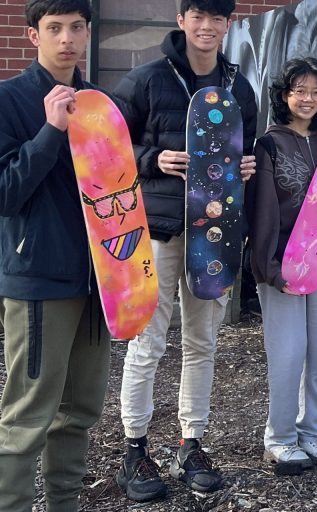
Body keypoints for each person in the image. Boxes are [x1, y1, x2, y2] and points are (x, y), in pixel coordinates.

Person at [111, 0, 259, 501]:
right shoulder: (148, 79)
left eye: (217, 17)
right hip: (157, 229)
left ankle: (190, 442)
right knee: (147, 343)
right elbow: (109, 147)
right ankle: (135, 448)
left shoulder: (240, 88)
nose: (207, 26)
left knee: (203, 343)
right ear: (182, 20)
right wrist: (154, 158)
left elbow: (247, 153)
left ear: (227, 24)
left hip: (214, 233)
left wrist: (246, 169)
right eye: (198, 15)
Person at [0, 2, 108, 510]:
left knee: (79, 411)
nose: (66, 38)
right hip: (40, 278)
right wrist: (50, 132)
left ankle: (64, 504)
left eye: (76, 28)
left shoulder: (99, 103)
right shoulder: (10, 99)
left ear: (87, 33)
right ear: (33, 35)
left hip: (98, 280)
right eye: (54, 28)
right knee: (27, 417)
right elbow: (5, 193)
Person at [248, 57, 317, 475]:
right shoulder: (269, 144)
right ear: (284, 96)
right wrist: (270, 268)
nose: (307, 99)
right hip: (284, 265)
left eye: (315, 92)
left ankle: (311, 435)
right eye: (299, 90)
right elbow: (263, 212)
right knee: (287, 355)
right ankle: (281, 439)